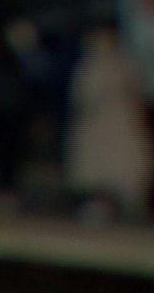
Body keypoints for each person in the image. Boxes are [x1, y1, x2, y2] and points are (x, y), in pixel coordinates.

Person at [65, 22, 152, 222]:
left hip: (119, 126)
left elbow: (135, 95)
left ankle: (124, 205)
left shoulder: (123, 63)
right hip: (99, 128)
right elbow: (83, 98)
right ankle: (103, 205)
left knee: (120, 168)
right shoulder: (90, 65)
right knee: (100, 170)